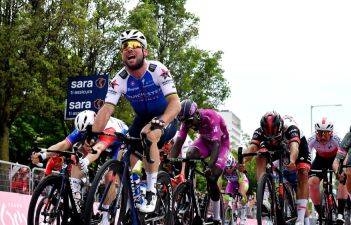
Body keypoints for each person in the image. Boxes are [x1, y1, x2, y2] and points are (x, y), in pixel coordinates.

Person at [92, 29, 181, 213]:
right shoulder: (120, 79)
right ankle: (109, 212)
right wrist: (92, 135)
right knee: (119, 164)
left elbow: (175, 103)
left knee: (149, 136)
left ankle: (151, 191)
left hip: (166, 115)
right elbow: (107, 109)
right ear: (121, 53)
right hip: (141, 119)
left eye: (134, 45)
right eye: (125, 46)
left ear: (145, 51)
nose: (129, 49)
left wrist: (161, 121)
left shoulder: (158, 70)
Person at [31, 110, 128, 214]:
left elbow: (99, 148)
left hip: (118, 143)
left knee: (110, 176)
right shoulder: (83, 128)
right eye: (82, 132)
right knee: (78, 155)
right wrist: (43, 155)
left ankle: (105, 215)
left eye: (86, 131)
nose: (83, 133)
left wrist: (86, 161)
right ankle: (76, 194)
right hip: (97, 140)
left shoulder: (109, 129)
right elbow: (64, 144)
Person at [240, 112, 311, 225]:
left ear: (280, 127)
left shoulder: (291, 128)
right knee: (260, 155)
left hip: (296, 147)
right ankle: (264, 196)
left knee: (302, 171)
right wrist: (242, 162)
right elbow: (252, 148)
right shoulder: (259, 131)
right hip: (276, 147)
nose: (271, 137)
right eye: (268, 134)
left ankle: (301, 219)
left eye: (274, 134)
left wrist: (292, 161)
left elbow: (294, 147)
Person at [170, 99, 230, 224]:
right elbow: (178, 143)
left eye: (191, 122)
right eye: (186, 123)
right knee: (189, 154)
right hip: (204, 142)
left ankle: (217, 217)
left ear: (196, 114)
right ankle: (187, 188)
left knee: (212, 178)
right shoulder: (186, 120)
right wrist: (169, 161)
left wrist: (210, 166)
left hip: (220, 145)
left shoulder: (211, 116)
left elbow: (216, 144)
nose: (190, 125)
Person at [308, 117, 348, 224]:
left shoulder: (337, 139)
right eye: (320, 133)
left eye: (326, 133)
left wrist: (342, 170)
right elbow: (306, 153)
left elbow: (345, 155)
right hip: (320, 160)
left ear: (331, 133)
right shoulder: (312, 139)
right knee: (312, 182)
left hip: (336, 158)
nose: (322, 137)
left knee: (343, 179)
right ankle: (320, 212)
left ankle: (340, 213)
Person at [218, 153, 249, 225]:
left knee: (241, 195)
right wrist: (218, 192)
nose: (228, 170)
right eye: (226, 168)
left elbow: (241, 182)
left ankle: (243, 216)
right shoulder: (223, 170)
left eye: (230, 167)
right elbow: (219, 181)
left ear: (234, 165)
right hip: (231, 183)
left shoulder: (237, 169)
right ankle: (227, 216)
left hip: (242, 181)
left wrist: (240, 193)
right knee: (226, 200)